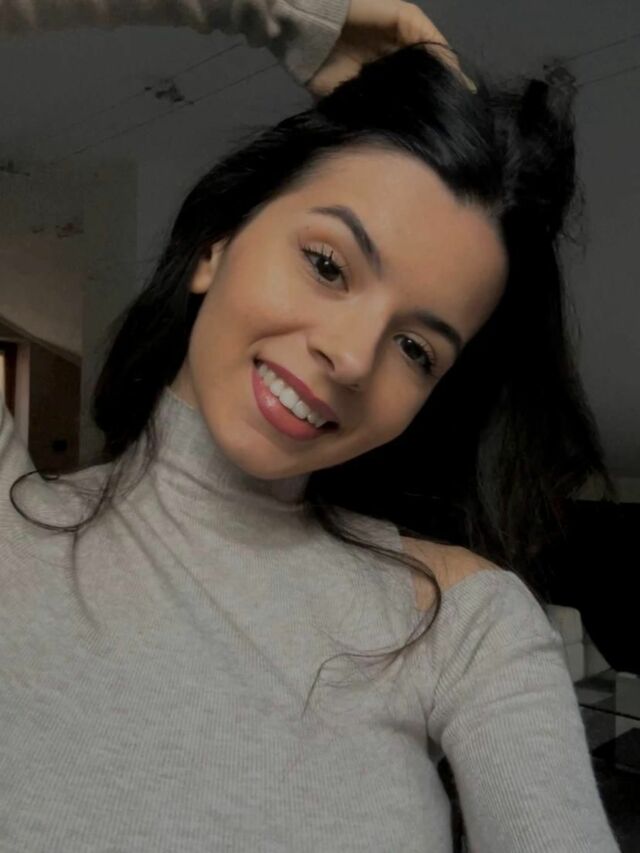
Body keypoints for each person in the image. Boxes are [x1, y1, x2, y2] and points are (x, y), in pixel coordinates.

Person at [0, 2, 622, 852]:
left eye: (416, 348)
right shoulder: (14, 530)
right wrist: (287, 13)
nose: (353, 356)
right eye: (328, 264)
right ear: (219, 242)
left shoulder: (460, 622)